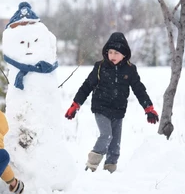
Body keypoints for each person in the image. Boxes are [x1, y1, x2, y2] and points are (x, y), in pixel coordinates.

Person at [64, 32, 159, 173]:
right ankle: (91, 166)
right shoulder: (100, 67)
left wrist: (148, 108)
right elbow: (87, 86)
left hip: (118, 110)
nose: (113, 56)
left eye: (117, 53)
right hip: (101, 108)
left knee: (115, 143)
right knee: (106, 135)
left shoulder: (130, 69)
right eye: (110, 52)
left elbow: (139, 89)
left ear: (124, 54)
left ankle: (110, 169)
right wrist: (75, 104)